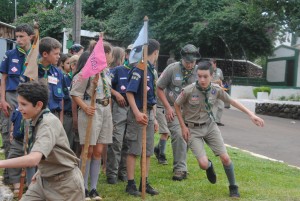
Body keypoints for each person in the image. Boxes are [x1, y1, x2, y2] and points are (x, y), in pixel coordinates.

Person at [174, 61, 264, 198]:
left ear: (211, 76)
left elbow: (232, 102)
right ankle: (209, 166)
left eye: (205, 76)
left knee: (226, 158)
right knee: (203, 164)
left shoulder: (216, 90)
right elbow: (176, 105)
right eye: (199, 76)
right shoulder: (188, 90)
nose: (202, 80)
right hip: (193, 130)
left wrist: (251, 115)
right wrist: (182, 126)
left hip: (210, 127)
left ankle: (233, 186)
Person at [0, 81, 85, 200]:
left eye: (24, 104)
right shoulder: (33, 119)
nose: (19, 108)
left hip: (65, 185)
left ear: (39, 105)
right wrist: (41, 171)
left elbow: (33, 159)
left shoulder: (48, 123)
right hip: (43, 179)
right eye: (19, 103)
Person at [70, 41, 113, 201]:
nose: (110, 57)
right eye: (109, 54)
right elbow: (75, 93)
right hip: (91, 109)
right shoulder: (87, 71)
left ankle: (94, 188)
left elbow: (108, 93)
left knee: (98, 151)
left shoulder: (106, 72)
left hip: (105, 110)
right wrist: (85, 107)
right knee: (87, 149)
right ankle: (84, 187)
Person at [156, 44, 200, 181]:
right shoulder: (172, 68)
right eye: (187, 62)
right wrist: (168, 108)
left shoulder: (199, 72)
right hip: (173, 110)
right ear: (182, 59)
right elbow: (159, 87)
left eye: (193, 62)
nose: (190, 65)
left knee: (187, 137)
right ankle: (180, 169)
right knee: (180, 135)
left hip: (190, 112)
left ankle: (160, 149)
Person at [125, 39, 160, 196]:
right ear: (155, 53)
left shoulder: (151, 69)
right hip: (137, 113)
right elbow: (129, 92)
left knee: (148, 151)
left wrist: (155, 118)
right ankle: (130, 183)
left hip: (149, 113)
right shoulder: (139, 69)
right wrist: (137, 113)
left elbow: (151, 96)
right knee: (134, 149)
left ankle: (144, 182)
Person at [0, 24, 34, 184]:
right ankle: (9, 177)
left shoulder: (35, 55)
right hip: (11, 97)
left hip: (29, 98)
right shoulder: (10, 54)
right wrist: (2, 99)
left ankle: (27, 179)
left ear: (31, 37)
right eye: (17, 36)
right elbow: (4, 79)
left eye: (21, 36)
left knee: (28, 136)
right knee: (9, 136)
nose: (18, 39)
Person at [106, 46, 131, 184]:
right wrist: (115, 93)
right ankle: (112, 174)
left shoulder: (138, 70)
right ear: (126, 55)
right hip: (119, 108)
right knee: (116, 141)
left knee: (128, 142)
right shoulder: (116, 70)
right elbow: (105, 84)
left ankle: (123, 172)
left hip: (133, 109)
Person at [38, 37, 68, 123]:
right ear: (45, 54)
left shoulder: (58, 73)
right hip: (37, 116)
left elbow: (61, 98)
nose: (59, 56)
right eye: (56, 54)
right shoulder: (32, 71)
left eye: (59, 53)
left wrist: (61, 120)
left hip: (54, 116)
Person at [153, 58, 177, 165]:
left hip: (170, 109)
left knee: (169, 133)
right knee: (165, 132)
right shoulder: (164, 78)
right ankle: (161, 156)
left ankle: (158, 148)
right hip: (160, 107)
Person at [210, 58, 225, 126]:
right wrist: (215, 82)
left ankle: (218, 121)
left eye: (211, 64)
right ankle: (210, 121)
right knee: (211, 106)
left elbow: (221, 80)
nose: (210, 65)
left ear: (215, 64)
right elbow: (207, 81)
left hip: (219, 90)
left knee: (221, 106)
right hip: (211, 90)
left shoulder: (219, 71)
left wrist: (221, 84)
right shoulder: (208, 71)